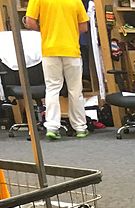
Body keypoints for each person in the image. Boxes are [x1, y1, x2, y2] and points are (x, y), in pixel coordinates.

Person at [24, 0, 89, 140]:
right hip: (71, 50)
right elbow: (83, 27)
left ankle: (52, 126)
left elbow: (29, 22)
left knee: (52, 88)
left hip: (50, 50)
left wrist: (46, 29)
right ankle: (80, 127)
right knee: (75, 90)